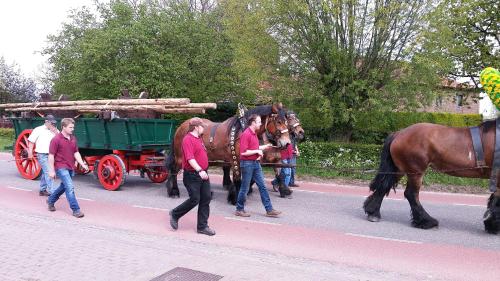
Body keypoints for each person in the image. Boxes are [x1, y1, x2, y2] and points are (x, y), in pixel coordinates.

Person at [169, 117, 215, 236]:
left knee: (206, 198)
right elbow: (190, 158)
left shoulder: (199, 138)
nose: (204, 128)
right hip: (193, 175)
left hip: (203, 173)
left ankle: (202, 226)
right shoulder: (187, 140)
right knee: (195, 199)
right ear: (196, 127)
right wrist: (200, 170)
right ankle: (175, 213)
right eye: (202, 126)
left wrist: (203, 170)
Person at [235, 114, 281, 218]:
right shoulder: (246, 134)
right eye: (259, 122)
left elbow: (254, 147)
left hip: (255, 164)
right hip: (247, 164)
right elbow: (243, 152)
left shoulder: (254, 134)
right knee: (245, 188)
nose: (261, 124)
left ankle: (269, 210)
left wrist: (264, 147)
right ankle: (239, 209)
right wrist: (257, 151)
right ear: (253, 123)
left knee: (262, 186)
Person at [47, 118, 88, 218]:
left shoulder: (73, 138)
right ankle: (76, 210)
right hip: (61, 166)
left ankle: (50, 200)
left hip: (70, 166)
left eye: (73, 127)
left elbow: (76, 152)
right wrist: (51, 171)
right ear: (63, 127)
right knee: (69, 186)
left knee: (64, 186)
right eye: (70, 127)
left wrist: (82, 164)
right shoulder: (56, 139)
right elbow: (51, 155)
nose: (72, 129)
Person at [28, 114, 59, 196]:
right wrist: (30, 153)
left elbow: (60, 139)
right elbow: (31, 142)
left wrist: (55, 132)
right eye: (51, 123)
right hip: (42, 155)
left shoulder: (55, 130)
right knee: (49, 172)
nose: (53, 124)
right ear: (46, 121)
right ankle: (52, 192)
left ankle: (42, 190)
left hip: (52, 155)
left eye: (53, 123)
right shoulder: (38, 129)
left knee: (45, 172)